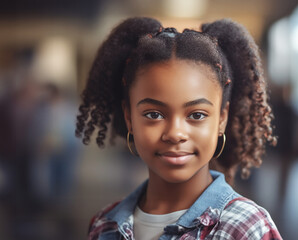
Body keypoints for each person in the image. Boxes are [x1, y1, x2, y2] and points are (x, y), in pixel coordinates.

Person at [75, 17, 282, 240]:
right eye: (154, 115)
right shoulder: (104, 226)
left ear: (222, 119)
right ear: (129, 117)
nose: (175, 134)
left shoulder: (245, 228)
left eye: (196, 115)